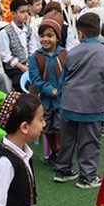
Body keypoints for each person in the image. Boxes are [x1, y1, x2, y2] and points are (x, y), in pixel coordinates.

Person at [52, 12, 104, 189]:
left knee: (67, 139)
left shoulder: (72, 52)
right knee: (90, 142)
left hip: (68, 104)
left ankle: (63, 171)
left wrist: (62, 100)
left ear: (81, 34)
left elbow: (63, 81)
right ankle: (88, 177)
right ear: (98, 32)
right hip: (91, 105)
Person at [28, 14, 66, 165]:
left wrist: (61, 90)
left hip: (60, 99)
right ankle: (54, 153)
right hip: (43, 100)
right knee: (47, 127)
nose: (45, 39)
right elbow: (35, 79)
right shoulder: (36, 57)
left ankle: (61, 152)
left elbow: (67, 76)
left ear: (57, 37)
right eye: (42, 36)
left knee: (60, 127)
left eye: (50, 36)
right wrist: (48, 89)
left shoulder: (64, 54)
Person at [0, 0, 37, 91]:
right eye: (22, 12)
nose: (26, 15)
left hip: (28, 65)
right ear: (13, 14)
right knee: (24, 85)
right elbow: (5, 55)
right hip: (14, 69)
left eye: (27, 12)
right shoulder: (5, 32)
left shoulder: (29, 30)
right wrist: (22, 67)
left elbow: (33, 50)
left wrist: (30, 65)